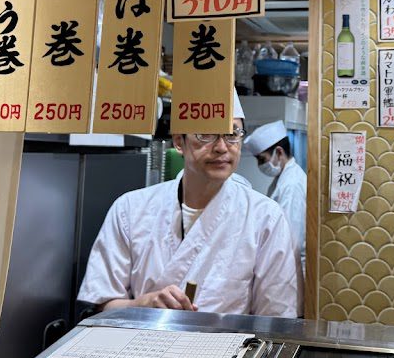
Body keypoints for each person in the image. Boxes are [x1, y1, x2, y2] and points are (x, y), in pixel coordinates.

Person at [78, 92, 301, 317]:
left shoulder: (266, 219)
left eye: (232, 134)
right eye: (206, 134)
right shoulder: (129, 210)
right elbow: (101, 306)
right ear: (179, 142)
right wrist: (144, 304)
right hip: (140, 339)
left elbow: (276, 318)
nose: (222, 147)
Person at [244, 120, 307, 272]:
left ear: (279, 152)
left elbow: (290, 239)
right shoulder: (283, 179)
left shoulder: (291, 185)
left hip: (288, 268)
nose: (260, 165)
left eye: (262, 159)